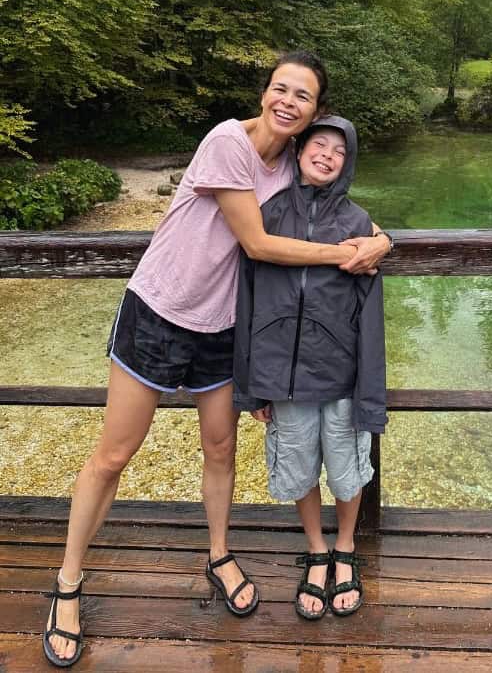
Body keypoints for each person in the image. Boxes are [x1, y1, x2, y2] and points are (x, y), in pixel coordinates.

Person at [43, 52, 392, 667]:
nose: (288, 102)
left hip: (225, 325)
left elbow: (342, 208)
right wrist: (346, 255)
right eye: (280, 89)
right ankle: (67, 583)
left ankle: (219, 554)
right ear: (264, 94)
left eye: (303, 96)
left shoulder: (292, 163)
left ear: (315, 112)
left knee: (221, 448)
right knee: (114, 454)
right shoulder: (227, 142)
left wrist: (383, 241)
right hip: (161, 309)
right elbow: (256, 242)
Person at [234, 115, 387, 620]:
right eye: (317, 145)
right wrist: (250, 386)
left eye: (338, 151)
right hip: (284, 376)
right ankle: (317, 550)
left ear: (348, 164)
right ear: (298, 152)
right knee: (299, 467)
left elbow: (371, 319)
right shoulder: (268, 215)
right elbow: (247, 300)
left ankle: (346, 548)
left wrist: (371, 394)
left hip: (340, 374)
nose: (325, 155)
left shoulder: (360, 226)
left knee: (346, 471)